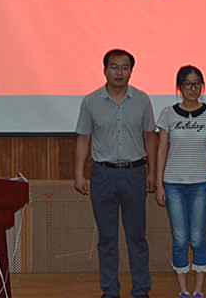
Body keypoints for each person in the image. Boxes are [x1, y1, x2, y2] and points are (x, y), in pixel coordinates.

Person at [74, 49, 157, 298]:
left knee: (137, 238)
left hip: (134, 173)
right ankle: (110, 291)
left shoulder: (141, 100)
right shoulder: (90, 102)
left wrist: (152, 172)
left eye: (124, 67)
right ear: (105, 70)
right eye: (114, 67)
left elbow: (150, 138)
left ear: (131, 71)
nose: (119, 72)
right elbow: (83, 139)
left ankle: (141, 290)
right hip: (103, 174)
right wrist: (79, 174)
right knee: (107, 238)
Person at [155, 66, 206, 298]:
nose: (192, 89)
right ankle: (183, 290)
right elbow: (161, 150)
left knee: (198, 237)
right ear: (179, 87)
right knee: (180, 238)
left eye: (197, 84)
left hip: (202, 183)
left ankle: (198, 290)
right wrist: (159, 184)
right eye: (187, 84)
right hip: (173, 184)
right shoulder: (167, 114)